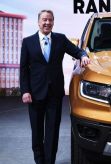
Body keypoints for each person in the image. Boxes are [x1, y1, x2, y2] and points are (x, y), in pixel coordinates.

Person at [20, 10, 90, 164]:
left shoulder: (60, 39)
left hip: (55, 94)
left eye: (50, 20)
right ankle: (39, 161)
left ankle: (49, 161)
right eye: (44, 20)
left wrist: (83, 56)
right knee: (37, 132)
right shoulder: (28, 42)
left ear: (53, 22)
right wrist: (25, 91)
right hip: (34, 93)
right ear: (38, 22)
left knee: (52, 132)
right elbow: (23, 69)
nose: (47, 23)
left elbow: (76, 50)